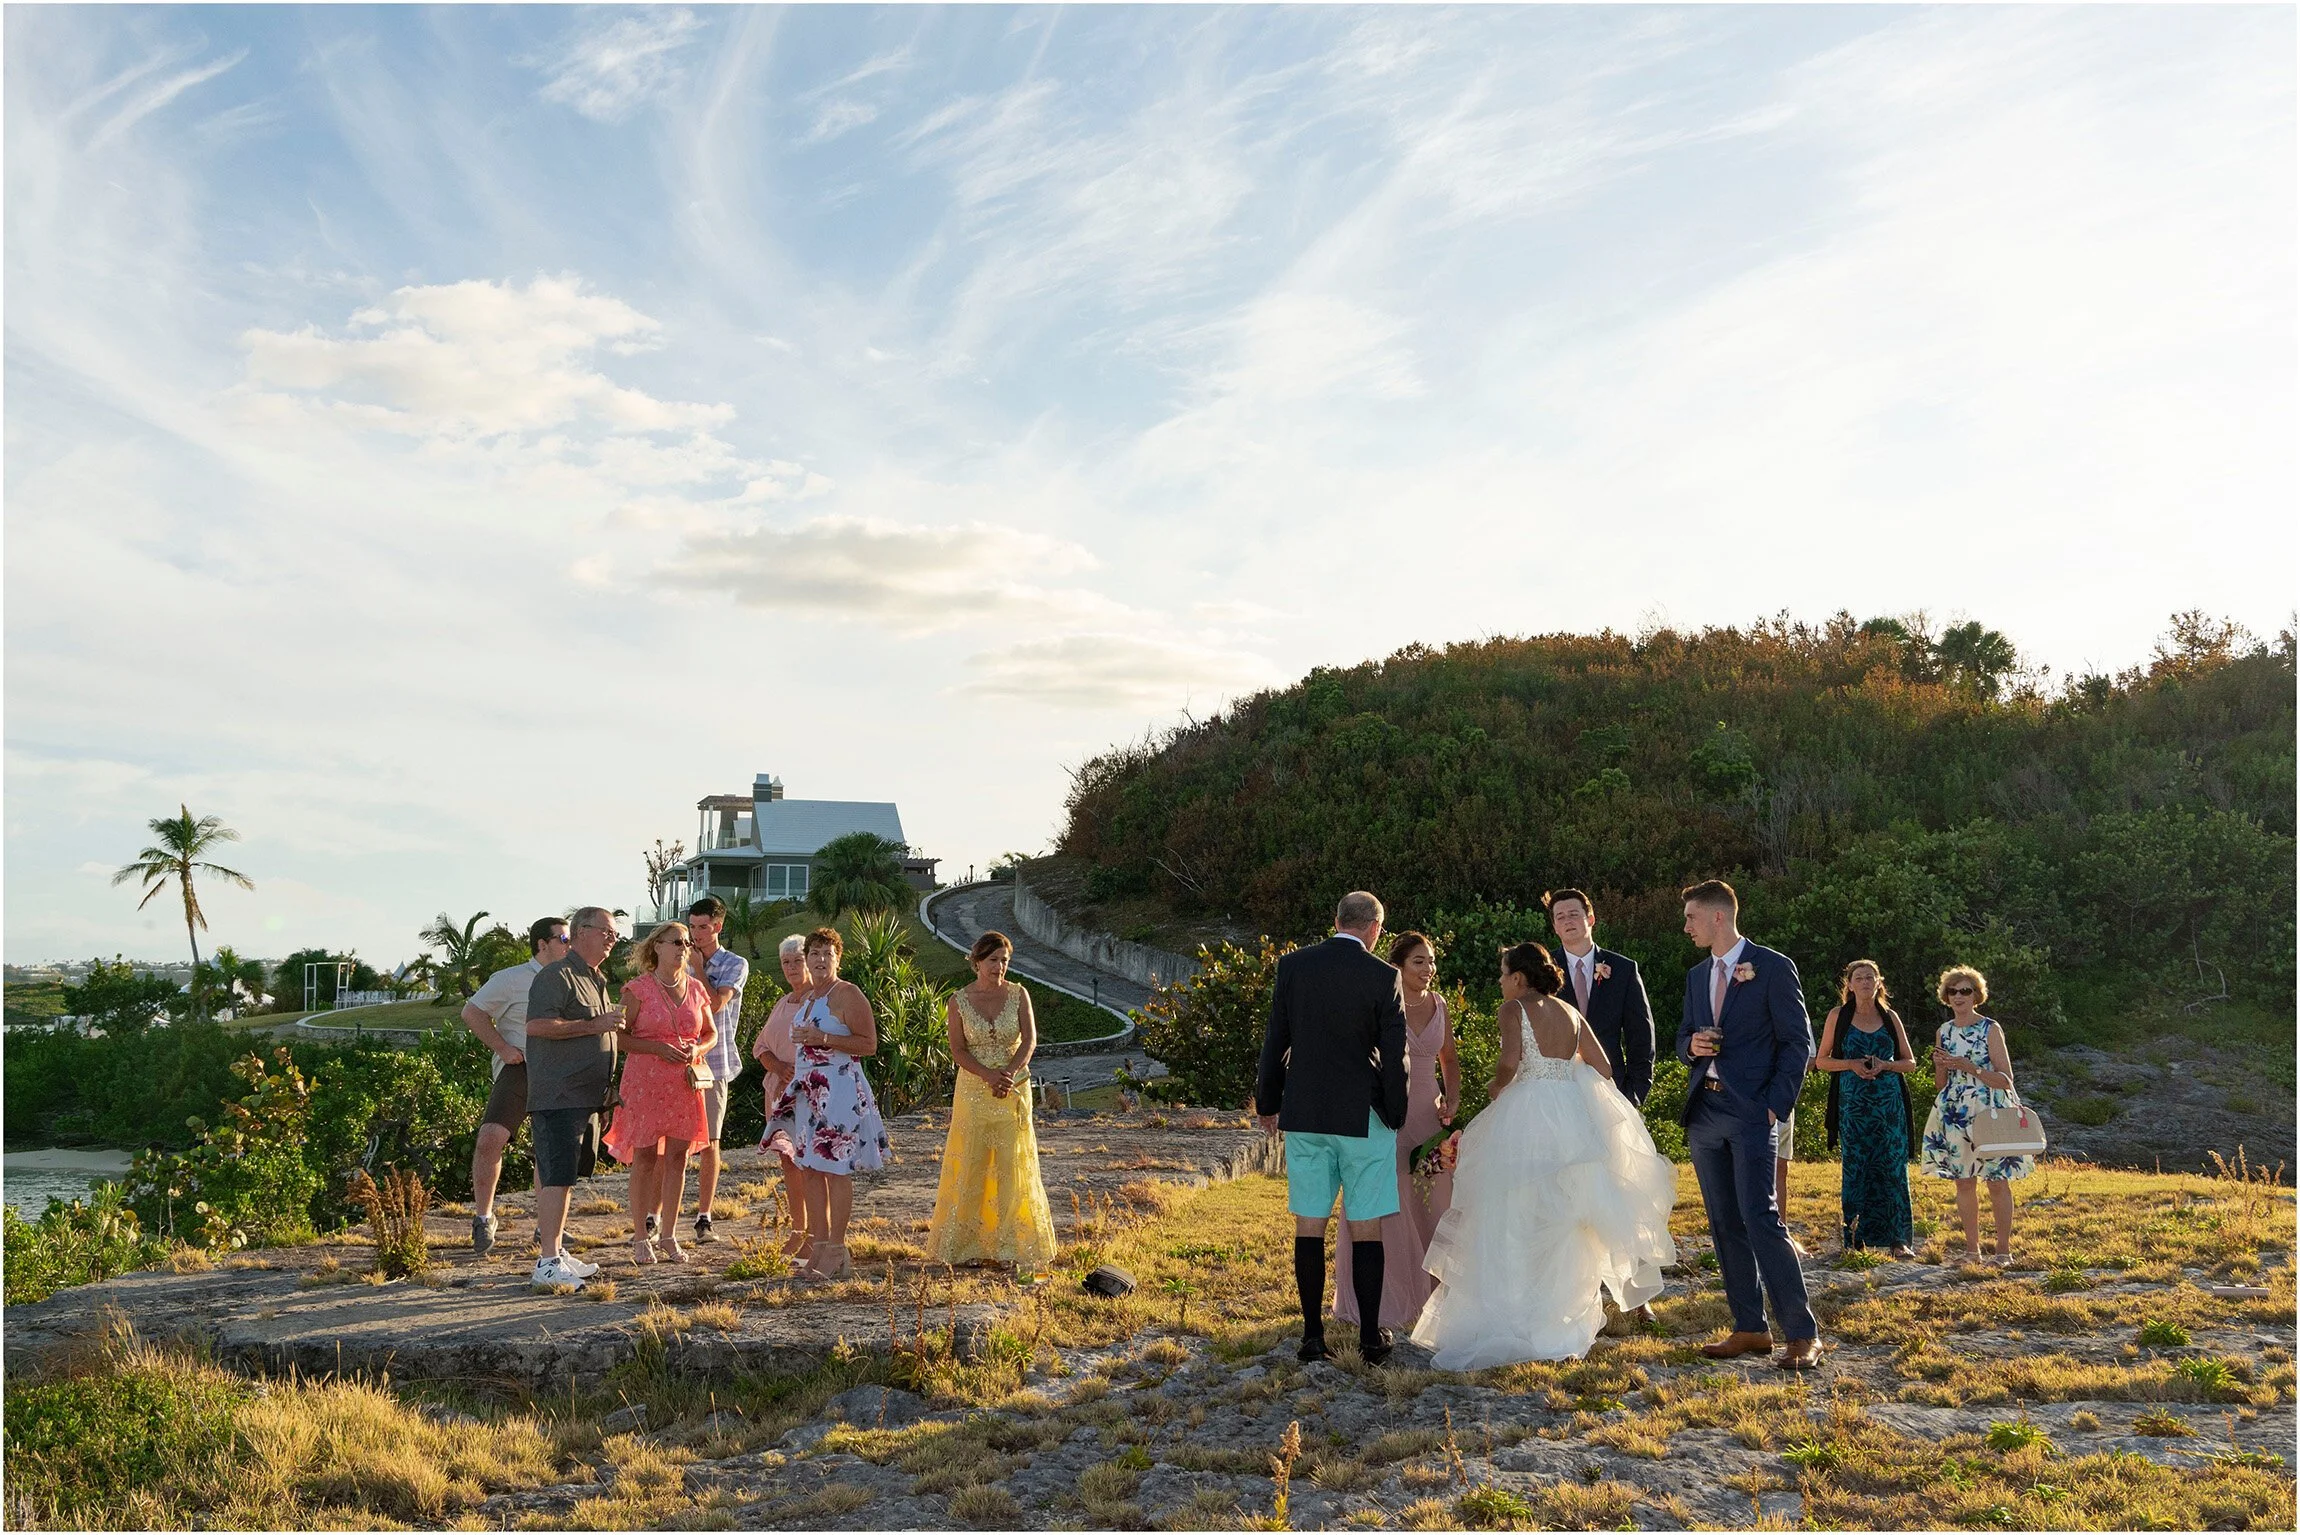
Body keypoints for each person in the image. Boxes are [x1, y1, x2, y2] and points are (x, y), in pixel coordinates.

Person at [1411, 942, 1675, 1368]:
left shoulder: (1513, 1010)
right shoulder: (1570, 1011)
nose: (1500, 982)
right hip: (1569, 1116)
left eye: (1502, 974)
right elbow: (1605, 1068)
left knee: (1514, 1212)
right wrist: (1563, 1075)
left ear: (1519, 977)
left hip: (1527, 1117)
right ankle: (1559, 1320)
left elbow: (1508, 1062)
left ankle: (1514, 1318)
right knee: (1563, 1219)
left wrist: (1498, 1089)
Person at [1253, 890, 1409, 1366]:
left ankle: (1312, 1335)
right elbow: (1395, 1056)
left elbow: (1276, 1039)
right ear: (1375, 929)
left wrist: (1269, 1101)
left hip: (1307, 1112)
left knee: (1309, 1224)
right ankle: (1368, 1337)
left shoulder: (1294, 966)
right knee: (1366, 1227)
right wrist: (1396, 1114)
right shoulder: (1384, 976)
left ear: (1336, 919)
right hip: (1361, 1114)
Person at [1675, 879, 1824, 1369]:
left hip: (1751, 1112)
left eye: (1692, 917)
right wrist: (1691, 1046)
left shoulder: (1774, 967)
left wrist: (1774, 1106)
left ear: (1719, 916)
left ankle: (1801, 1333)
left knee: (1761, 1218)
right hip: (1705, 1112)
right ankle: (1750, 1327)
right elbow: (1681, 1036)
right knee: (1722, 1223)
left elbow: (1797, 1042)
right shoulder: (1698, 976)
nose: (1687, 926)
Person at [1335, 931, 1459, 1332]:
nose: (1428, 969)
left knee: (1435, 1203)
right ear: (1399, 967)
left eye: (1432, 961)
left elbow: (1450, 1061)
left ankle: (1435, 1299)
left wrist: (1452, 1099)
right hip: (1387, 1113)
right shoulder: (1381, 1001)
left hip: (1429, 1119)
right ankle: (1385, 1298)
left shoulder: (1439, 1005)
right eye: (1419, 961)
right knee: (1388, 1203)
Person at [925, 931, 1058, 1273]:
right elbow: (957, 1049)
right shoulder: (958, 1000)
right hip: (973, 1088)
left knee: (1012, 1165)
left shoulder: (1019, 994)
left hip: (1013, 1086)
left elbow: (1029, 1040)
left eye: (1004, 961)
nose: (999, 967)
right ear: (977, 962)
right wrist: (987, 1075)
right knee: (973, 1162)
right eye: (993, 960)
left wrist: (1009, 1073)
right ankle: (967, 1243)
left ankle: (1010, 1243)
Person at [762, 926, 889, 1281]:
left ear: (838, 958)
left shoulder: (848, 994)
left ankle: (836, 1249)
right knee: (811, 1169)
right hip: (809, 1091)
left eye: (826, 954)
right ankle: (817, 1247)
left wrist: (824, 1037)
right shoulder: (809, 1000)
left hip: (839, 1089)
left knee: (835, 1168)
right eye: (813, 954)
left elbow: (869, 1044)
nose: (819, 960)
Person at [523, 906, 623, 1291]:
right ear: (581, 932)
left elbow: (600, 1035)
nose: (612, 940)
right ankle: (547, 1262)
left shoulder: (595, 979)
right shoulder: (557, 975)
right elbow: (537, 1026)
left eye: (614, 935)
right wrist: (594, 1025)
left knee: (567, 1178)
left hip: (585, 1096)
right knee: (556, 1176)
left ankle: (557, 1252)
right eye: (606, 932)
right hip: (558, 1094)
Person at [608, 922, 716, 1264]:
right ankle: (641, 1236)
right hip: (645, 1082)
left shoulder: (697, 989)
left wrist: (696, 1050)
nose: (683, 948)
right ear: (656, 947)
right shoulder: (637, 990)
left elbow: (711, 1033)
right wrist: (656, 1048)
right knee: (644, 1158)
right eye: (676, 942)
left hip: (684, 1082)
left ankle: (669, 1235)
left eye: (686, 943)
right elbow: (618, 1038)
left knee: (678, 1158)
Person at [463, 917, 569, 1257]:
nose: (570, 943)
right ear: (542, 943)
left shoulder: (574, 979)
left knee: (549, 1150)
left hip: (559, 1073)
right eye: (564, 937)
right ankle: (483, 1217)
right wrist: (503, 1048)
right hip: (520, 1068)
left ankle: (548, 1228)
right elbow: (473, 1012)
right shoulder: (510, 979)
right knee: (490, 1137)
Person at [1920, 965, 2031, 1265]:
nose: (1959, 996)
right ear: (1947, 996)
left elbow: (2006, 1079)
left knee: (1996, 1181)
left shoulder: (1990, 1028)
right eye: (1953, 991)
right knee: (1964, 1181)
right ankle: (1972, 1251)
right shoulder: (1943, 1032)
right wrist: (1941, 1066)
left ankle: (2003, 1252)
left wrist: (1971, 1068)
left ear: (1976, 996)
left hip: (1988, 1109)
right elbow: (1940, 1084)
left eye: (1965, 991)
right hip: (1954, 1110)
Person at [1816, 959, 1917, 1258]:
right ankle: (1856, 1238)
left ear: (1878, 982)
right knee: (1857, 1167)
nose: (1864, 982)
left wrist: (1886, 1065)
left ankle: (1899, 1240)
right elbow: (1822, 1061)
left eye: (1870, 977)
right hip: (1854, 1106)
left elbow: (1910, 1063)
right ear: (1849, 984)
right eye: (1858, 978)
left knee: (1893, 1168)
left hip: (1889, 1106)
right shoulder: (1839, 1016)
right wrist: (1851, 1064)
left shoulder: (1890, 1017)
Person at [1544, 889, 1655, 1106]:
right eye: (1561, 917)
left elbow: (1641, 1034)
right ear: (1555, 927)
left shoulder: (1623, 969)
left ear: (1591, 919)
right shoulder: (1542, 970)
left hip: (1611, 1087)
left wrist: (1635, 1092)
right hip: (1557, 1092)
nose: (1568, 920)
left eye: (1574, 914)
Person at [683, 896, 749, 1246]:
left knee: (709, 1140)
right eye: (692, 927)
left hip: (716, 1062)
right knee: (671, 1141)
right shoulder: (681, 958)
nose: (696, 934)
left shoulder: (734, 963)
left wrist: (697, 967)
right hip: (678, 1060)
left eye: (703, 927)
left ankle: (704, 1216)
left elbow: (716, 1003)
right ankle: (656, 1216)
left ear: (718, 926)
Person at [751, 935, 820, 1260]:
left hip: (811, 1093)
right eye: (786, 962)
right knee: (789, 1161)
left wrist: (797, 1071)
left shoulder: (822, 999)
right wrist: (778, 1067)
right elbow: (761, 1046)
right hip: (778, 1094)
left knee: (812, 1163)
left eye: (798, 960)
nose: (792, 967)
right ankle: (798, 1230)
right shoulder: (783, 1002)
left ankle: (818, 1235)